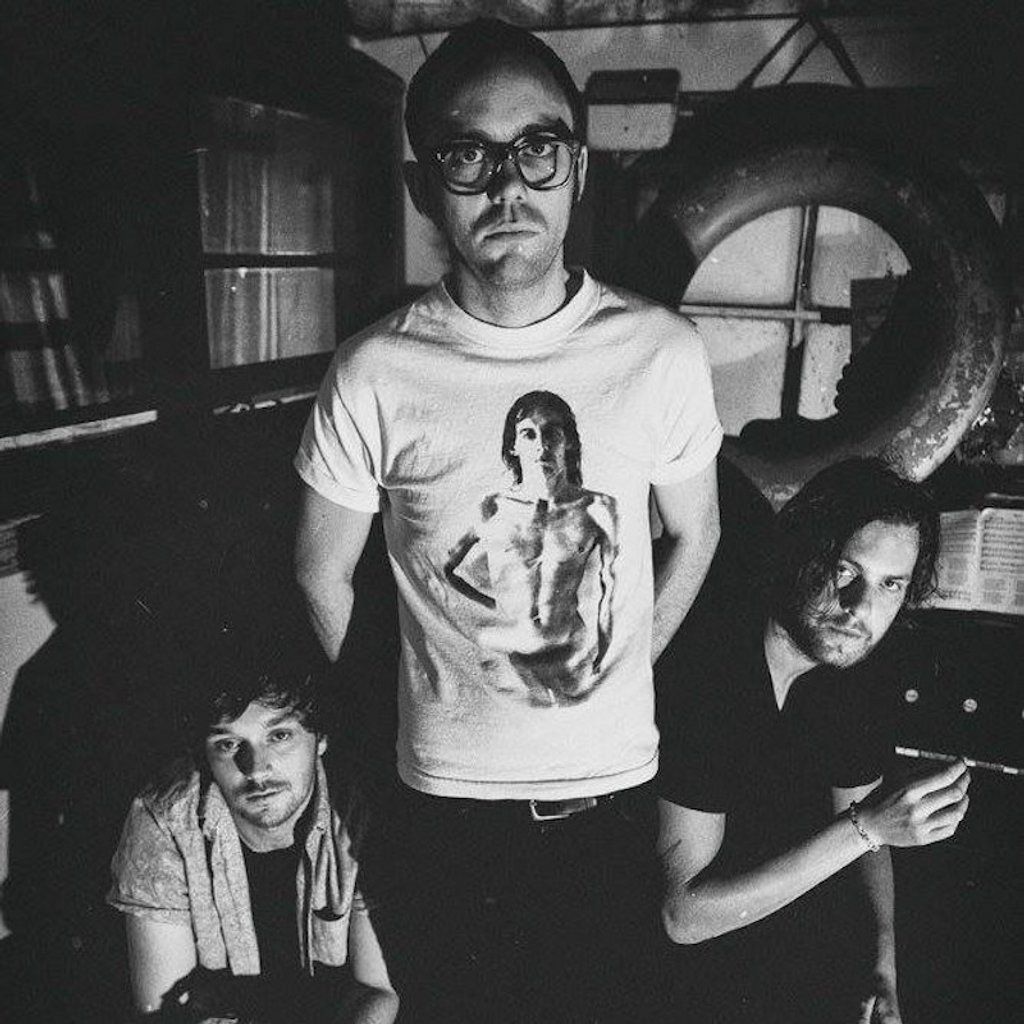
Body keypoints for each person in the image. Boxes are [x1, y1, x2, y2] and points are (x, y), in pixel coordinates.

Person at [293, 17, 721, 1021]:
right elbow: (319, 570)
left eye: (537, 149)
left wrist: (622, 662)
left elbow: (694, 533)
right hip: (439, 814)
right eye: (466, 156)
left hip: (612, 802)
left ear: (577, 169)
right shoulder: (374, 370)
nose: (507, 188)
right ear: (421, 186)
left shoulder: (660, 352)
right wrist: (407, 709)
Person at [656, 458, 971, 1024]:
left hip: (762, 964)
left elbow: (865, 816)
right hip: (650, 975)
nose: (860, 608)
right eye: (844, 570)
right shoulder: (715, 664)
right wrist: (869, 828)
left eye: (890, 585)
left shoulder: (849, 665)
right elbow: (682, 916)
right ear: (801, 553)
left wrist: (882, 970)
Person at [107, 617, 398, 1024]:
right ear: (204, 753)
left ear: (321, 739)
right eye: (229, 744)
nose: (256, 768)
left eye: (279, 736)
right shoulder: (163, 821)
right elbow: (165, 1013)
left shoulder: (361, 814)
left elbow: (377, 990)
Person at [444, 390, 618, 702]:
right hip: (508, 659)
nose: (541, 445)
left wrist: (604, 657)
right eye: (528, 434)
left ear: (568, 442)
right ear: (513, 445)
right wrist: (492, 604)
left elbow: (609, 592)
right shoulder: (494, 507)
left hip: (572, 656)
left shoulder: (596, 508)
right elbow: (448, 570)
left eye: (551, 433)